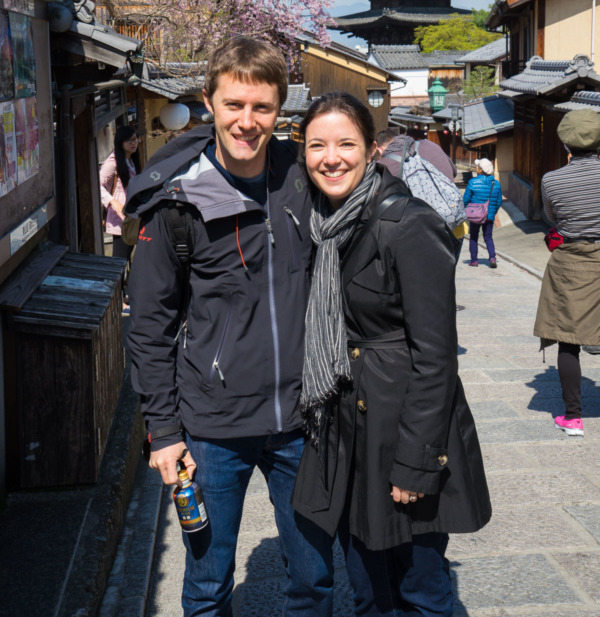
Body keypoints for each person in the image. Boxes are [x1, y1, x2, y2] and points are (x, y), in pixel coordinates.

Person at [125, 37, 333, 617]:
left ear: (280, 111)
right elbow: (149, 326)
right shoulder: (177, 202)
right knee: (208, 586)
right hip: (212, 427)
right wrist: (163, 432)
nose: (247, 121)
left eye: (262, 107)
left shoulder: (303, 177)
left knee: (314, 579)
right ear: (209, 103)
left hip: (301, 419)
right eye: (234, 105)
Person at [292, 92, 491, 617]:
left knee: (419, 591)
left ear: (372, 148)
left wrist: (416, 463)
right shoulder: (318, 223)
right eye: (317, 144)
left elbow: (436, 357)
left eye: (345, 144)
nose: (330, 157)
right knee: (366, 590)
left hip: (403, 430)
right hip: (346, 432)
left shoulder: (408, 222)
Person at [534, 108, 600, 438]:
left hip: (572, 261)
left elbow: (551, 217)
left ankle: (573, 417)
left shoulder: (552, 179)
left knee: (568, 340)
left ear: (566, 145)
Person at [99, 125, 140, 263]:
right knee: (119, 261)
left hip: (132, 216)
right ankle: (117, 285)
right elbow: (97, 184)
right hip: (119, 218)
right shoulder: (113, 161)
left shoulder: (132, 159)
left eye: (135, 139)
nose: (133, 143)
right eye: (129, 140)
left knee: (127, 258)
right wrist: (112, 202)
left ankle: (123, 284)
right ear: (120, 142)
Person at [463, 158, 502, 267]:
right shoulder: (496, 184)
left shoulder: (472, 182)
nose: (476, 168)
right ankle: (492, 258)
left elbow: (466, 199)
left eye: (478, 166)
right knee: (488, 237)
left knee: (474, 236)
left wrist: (465, 209)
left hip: (475, 214)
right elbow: (499, 201)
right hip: (489, 214)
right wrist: (493, 211)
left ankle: (474, 260)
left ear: (480, 170)